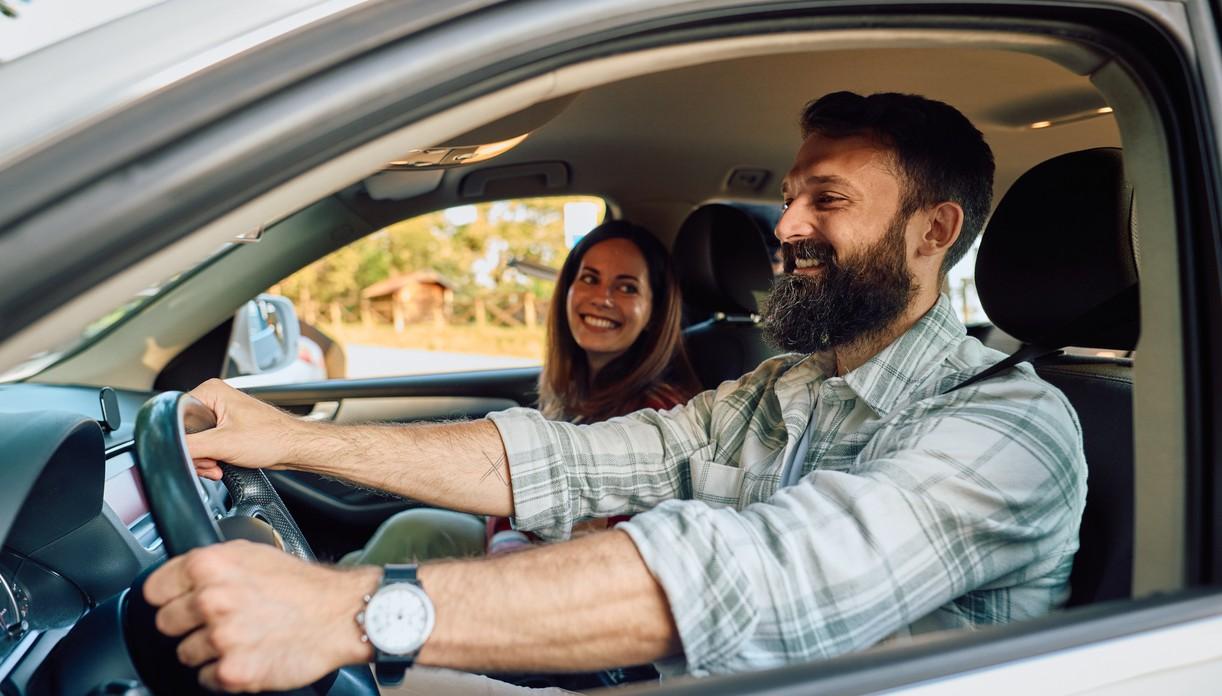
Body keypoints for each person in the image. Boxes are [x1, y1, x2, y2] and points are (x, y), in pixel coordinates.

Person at [144, 91, 1086, 694]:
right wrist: (294, 439)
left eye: (826, 200)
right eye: (791, 194)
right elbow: (564, 457)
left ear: (934, 231)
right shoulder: (780, 389)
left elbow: (769, 573)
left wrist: (349, 611)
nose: (787, 224)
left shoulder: (1012, 426)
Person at [344, 220, 700, 566]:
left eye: (626, 288)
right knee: (390, 544)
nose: (602, 298)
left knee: (411, 534)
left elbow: (624, 542)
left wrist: (515, 547)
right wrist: (506, 537)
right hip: (526, 550)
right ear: (568, 290)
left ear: (654, 311)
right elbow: (519, 480)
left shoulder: (660, 414)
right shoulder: (575, 392)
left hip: (569, 577)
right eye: (589, 279)